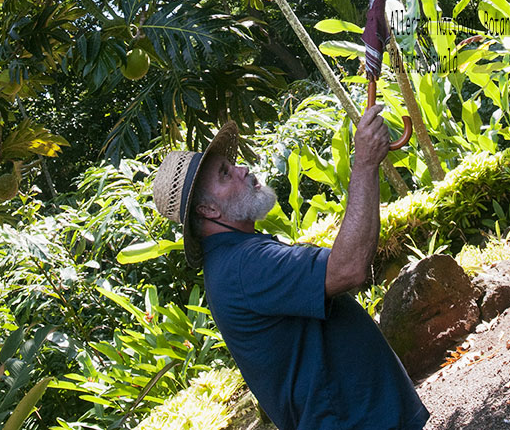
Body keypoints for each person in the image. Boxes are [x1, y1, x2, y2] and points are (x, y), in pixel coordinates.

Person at [153, 106, 429, 430]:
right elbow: (348, 267)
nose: (243, 169)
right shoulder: (243, 266)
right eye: (226, 173)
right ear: (208, 209)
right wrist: (365, 164)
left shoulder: (234, 259)